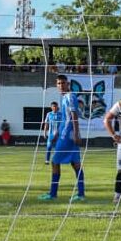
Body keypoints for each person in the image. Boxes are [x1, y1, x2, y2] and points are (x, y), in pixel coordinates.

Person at [39, 74, 86, 202]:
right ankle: (81, 194)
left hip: (67, 136)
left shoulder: (70, 97)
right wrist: (57, 134)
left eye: (63, 83)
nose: (61, 85)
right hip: (65, 134)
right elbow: (66, 119)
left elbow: (74, 116)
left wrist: (76, 134)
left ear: (68, 84)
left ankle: (53, 194)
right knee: (75, 164)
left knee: (55, 162)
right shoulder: (65, 97)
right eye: (59, 83)